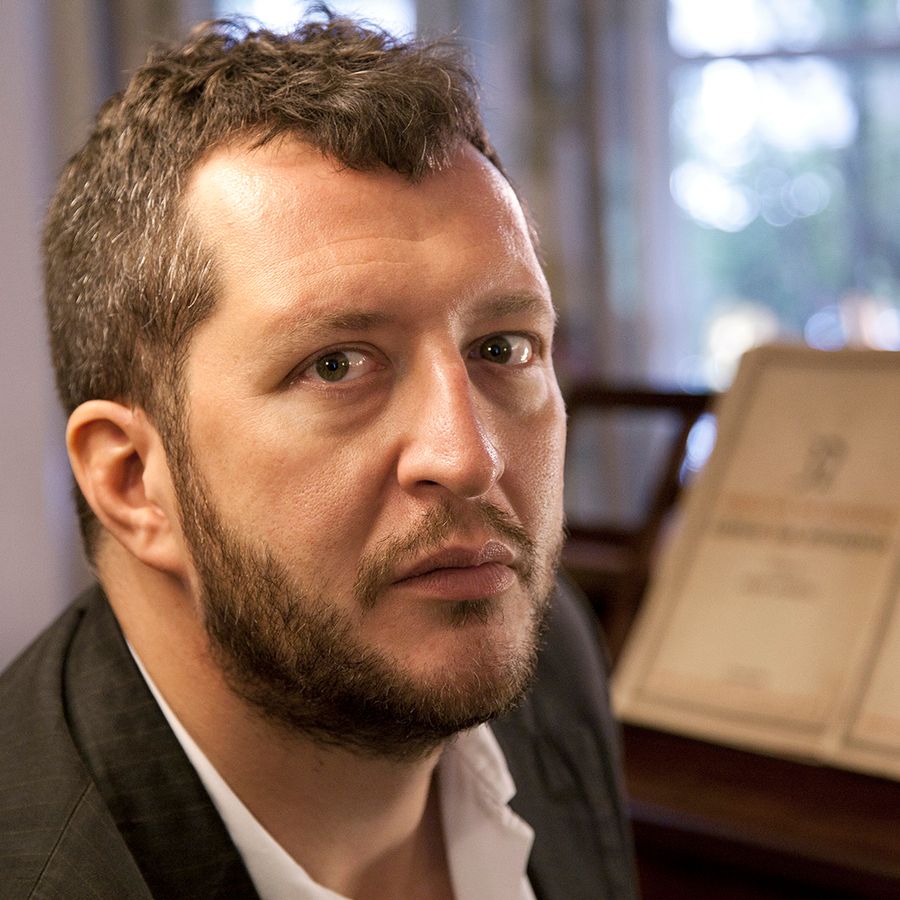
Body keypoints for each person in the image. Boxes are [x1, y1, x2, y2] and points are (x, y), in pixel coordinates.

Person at [0, 11, 636, 899]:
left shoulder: (547, 646)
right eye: (336, 365)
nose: (469, 458)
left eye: (503, 348)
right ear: (134, 481)